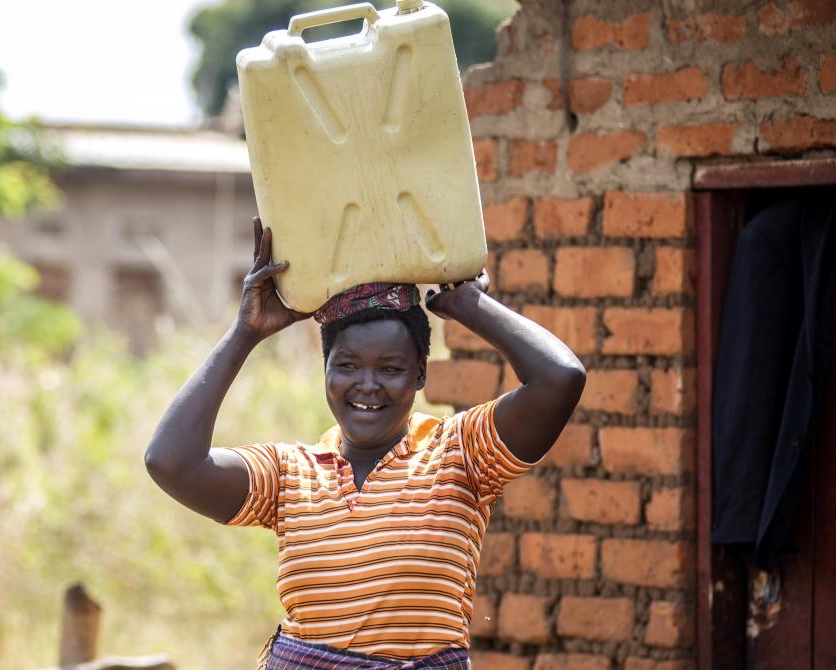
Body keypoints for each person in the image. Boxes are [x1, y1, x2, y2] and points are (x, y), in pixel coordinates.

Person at [144, 219, 585, 668]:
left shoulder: (460, 453)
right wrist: (246, 333)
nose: (366, 386)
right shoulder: (289, 474)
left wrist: (469, 304)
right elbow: (170, 462)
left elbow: (560, 379)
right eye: (348, 365)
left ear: (420, 374)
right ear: (326, 372)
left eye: (390, 368)